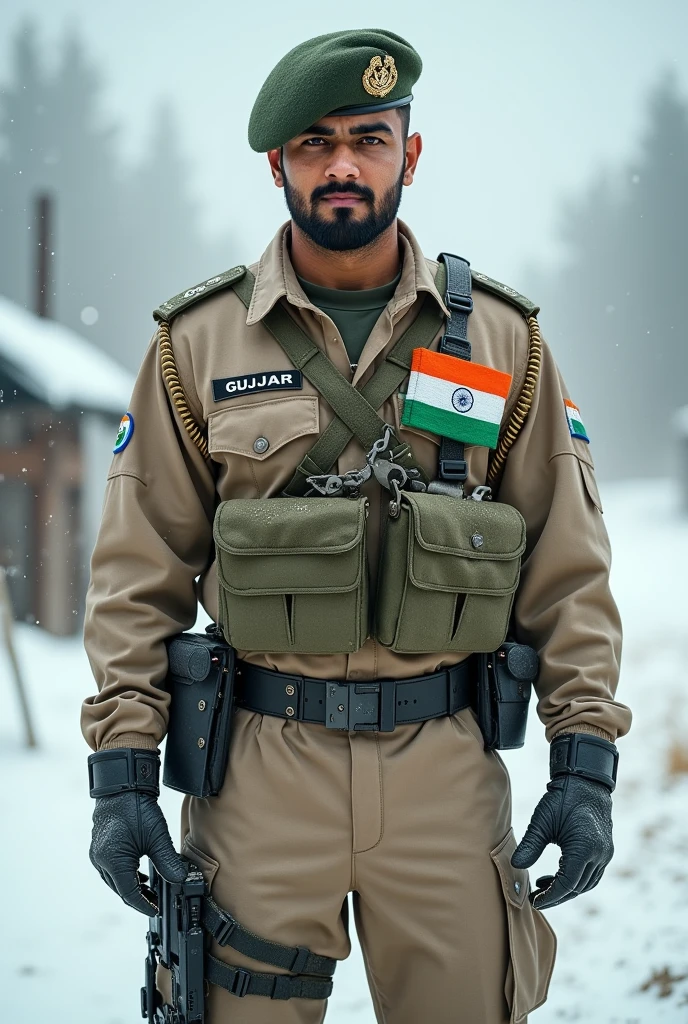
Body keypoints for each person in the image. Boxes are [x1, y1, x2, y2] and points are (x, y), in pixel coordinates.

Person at [82, 28, 632, 1024]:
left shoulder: (502, 339)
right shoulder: (195, 343)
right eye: (314, 141)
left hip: (445, 771)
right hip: (257, 773)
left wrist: (583, 758)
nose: (342, 163)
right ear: (276, 163)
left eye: (369, 138)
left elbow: (568, 568)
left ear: (408, 155)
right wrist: (121, 778)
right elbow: (137, 574)